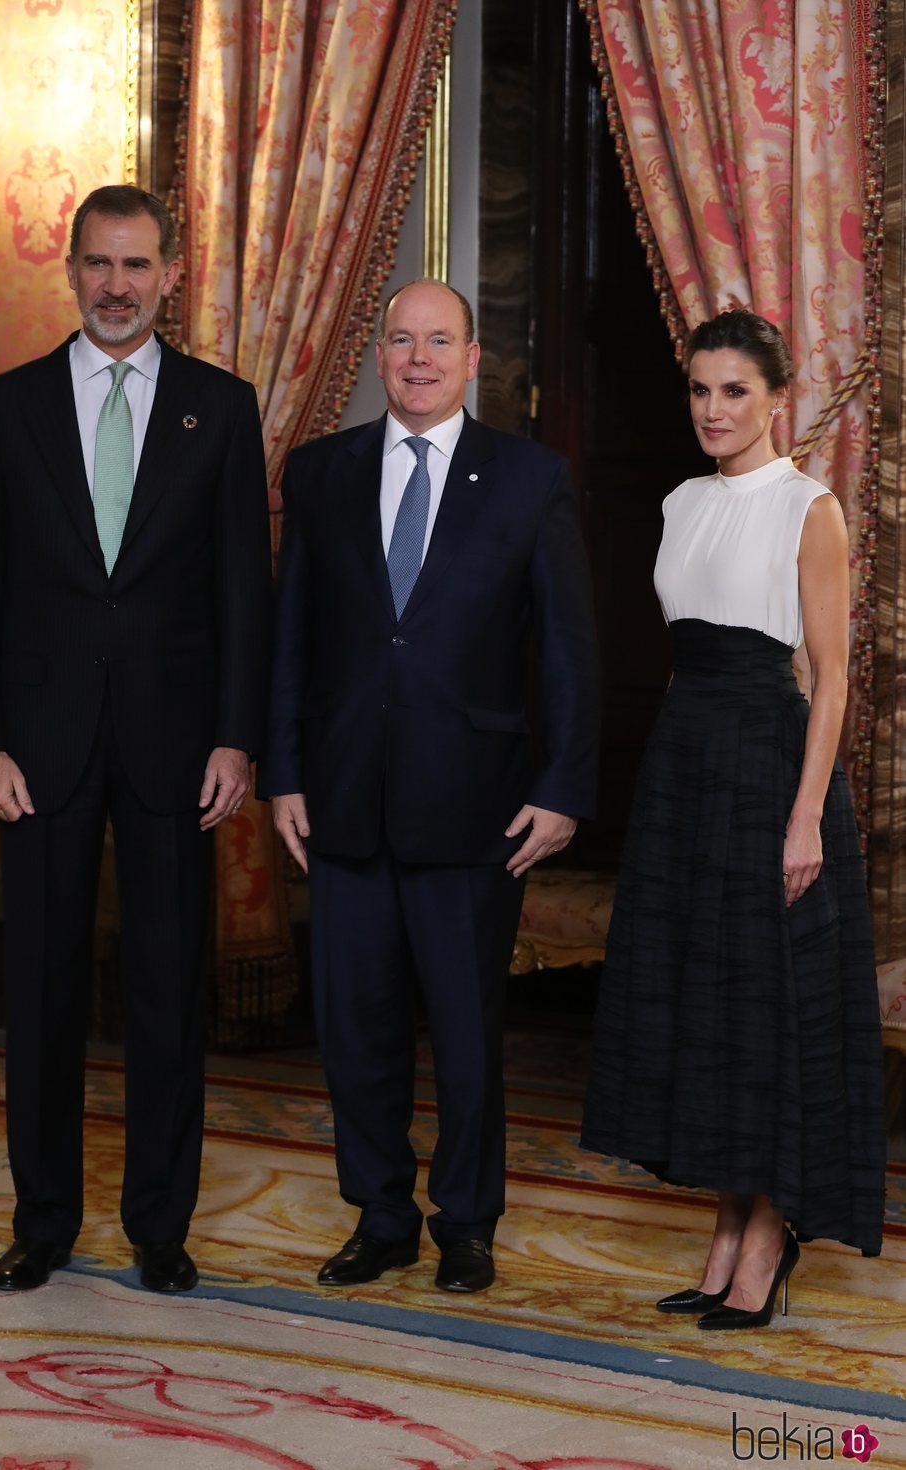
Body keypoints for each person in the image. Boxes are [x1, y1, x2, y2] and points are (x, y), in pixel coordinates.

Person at [0, 185, 272, 1294]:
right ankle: (44, 1222)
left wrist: (237, 737)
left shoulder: (222, 408)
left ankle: (159, 1229)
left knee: (167, 991)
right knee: (40, 990)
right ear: (72, 271)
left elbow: (243, 590)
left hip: (178, 750)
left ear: (170, 274)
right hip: (37, 750)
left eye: (138, 266)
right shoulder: (4, 405)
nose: (117, 286)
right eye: (99, 265)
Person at [258, 279, 599, 1293]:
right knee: (354, 1027)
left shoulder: (530, 478)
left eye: (436, 340)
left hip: (477, 803)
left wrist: (565, 784)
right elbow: (291, 639)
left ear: (470, 356)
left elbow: (569, 649)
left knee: (463, 1034)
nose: (417, 358)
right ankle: (378, 1215)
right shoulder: (317, 473)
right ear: (377, 356)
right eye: (399, 340)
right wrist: (281, 772)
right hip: (342, 797)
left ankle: (465, 1222)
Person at [581, 309, 886, 1328]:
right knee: (706, 1003)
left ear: (773, 400)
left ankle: (766, 1237)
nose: (713, 410)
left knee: (764, 1007)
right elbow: (681, 655)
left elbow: (832, 681)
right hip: (685, 764)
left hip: (770, 767)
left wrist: (804, 818)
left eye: (734, 393)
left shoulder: (809, 508)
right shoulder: (676, 503)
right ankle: (722, 1229)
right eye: (700, 391)